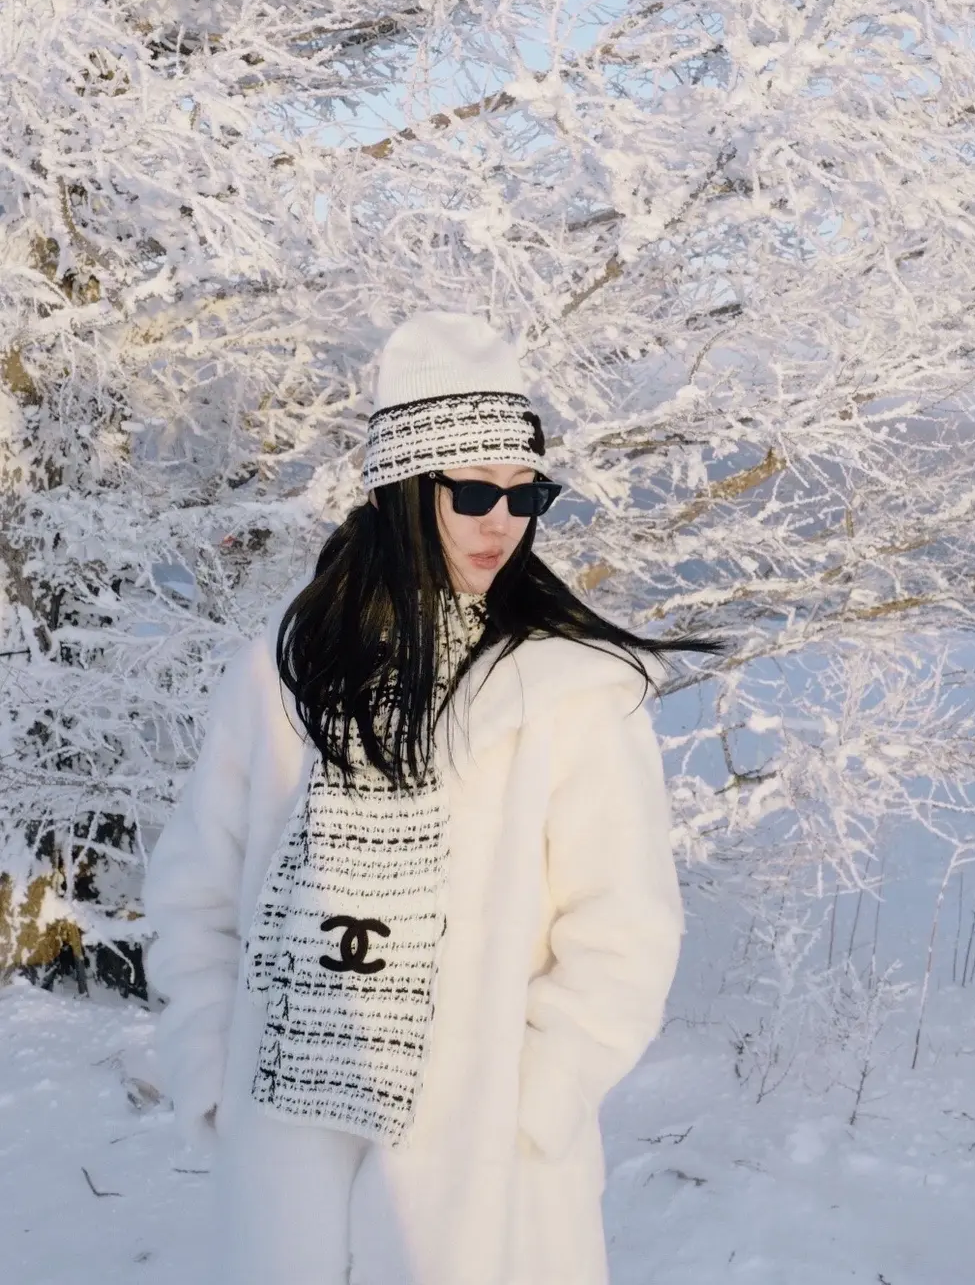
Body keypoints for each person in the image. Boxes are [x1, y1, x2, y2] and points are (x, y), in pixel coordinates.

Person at [144, 313, 710, 1285]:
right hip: (286, 1157)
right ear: (401, 491)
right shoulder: (289, 671)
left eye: (527, 493)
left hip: (483, 1186)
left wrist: (534, 1104)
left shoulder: (568, 689)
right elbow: (199, 888)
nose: (504, 521)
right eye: (475, 491)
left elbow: (624, 931)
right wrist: (211, 1070)